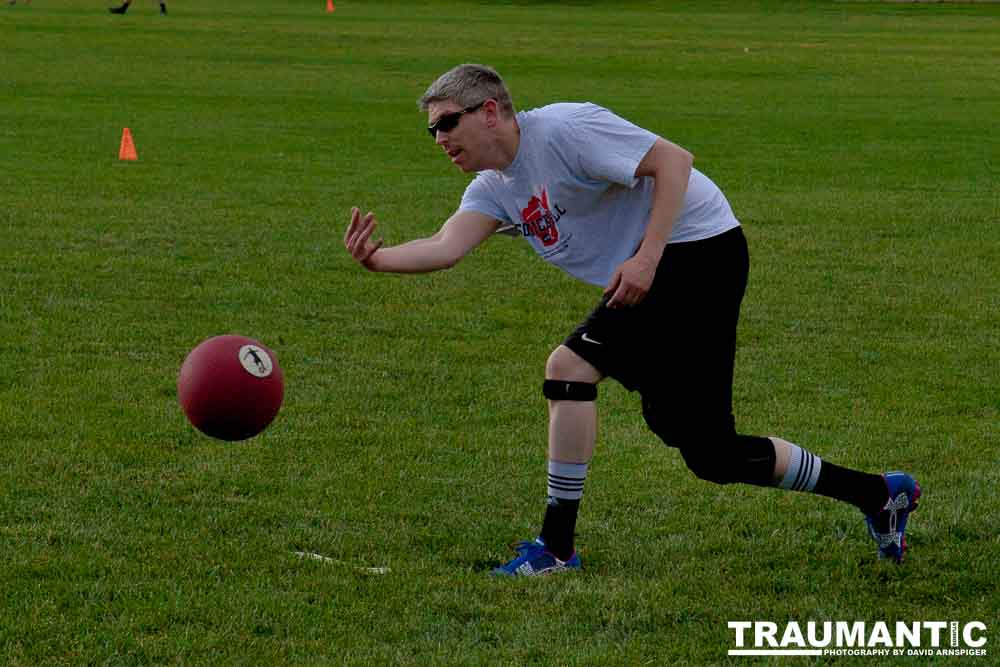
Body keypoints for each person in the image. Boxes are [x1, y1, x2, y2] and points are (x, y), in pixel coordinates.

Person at [343, 63, 921, 576]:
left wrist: (647, 257)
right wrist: (377, 259)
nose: (439, 138)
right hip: (661, 270)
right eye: (433, 129)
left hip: (700, 248)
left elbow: (674, 160)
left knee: (568, 367)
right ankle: (878, 493)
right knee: (710, 453)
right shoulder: (494, 187)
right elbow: (447, 246)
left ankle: (556, 548)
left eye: (447, 124)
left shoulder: (566, 129)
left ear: (489, 111)